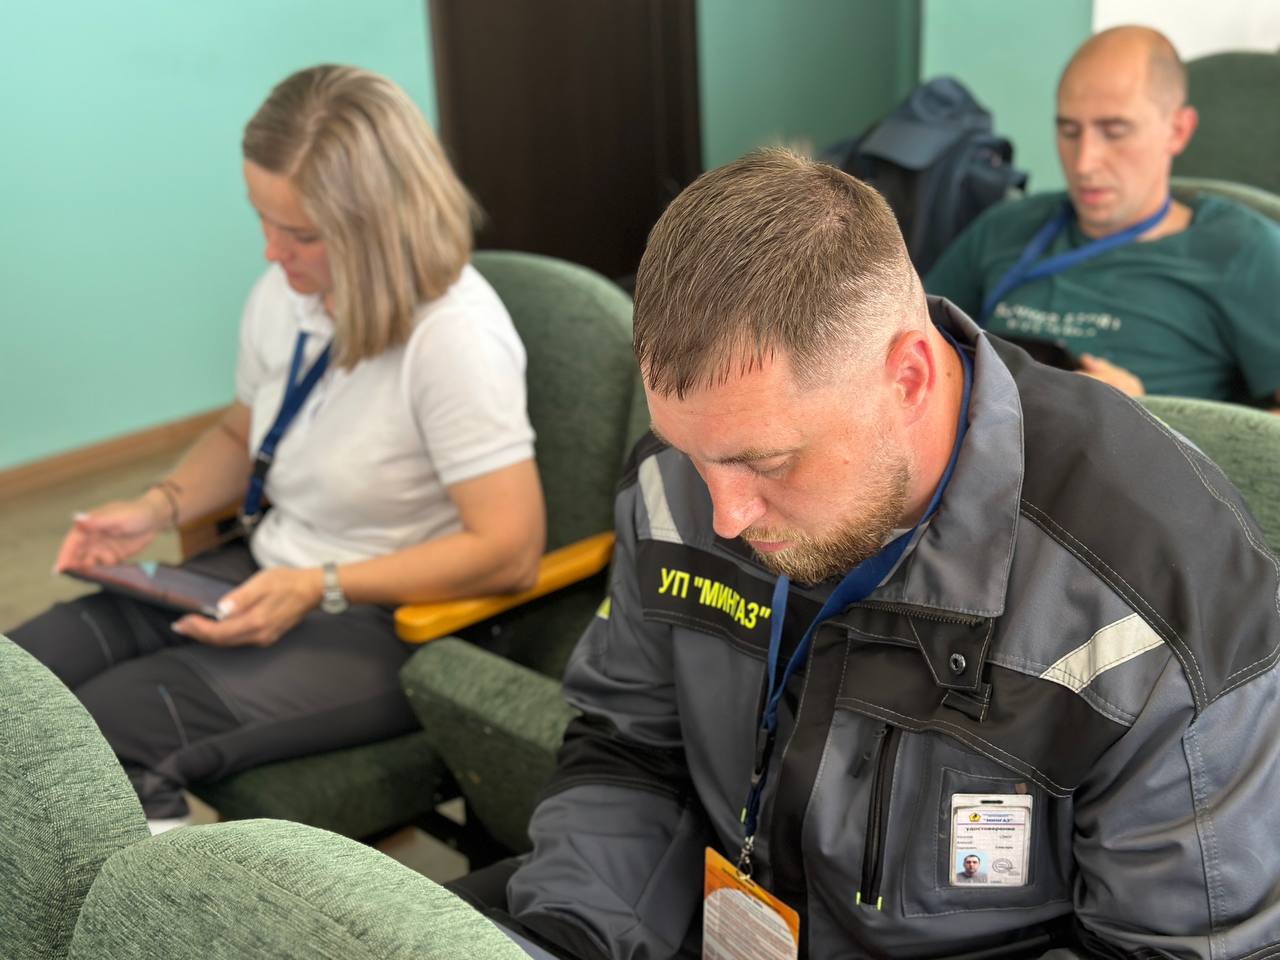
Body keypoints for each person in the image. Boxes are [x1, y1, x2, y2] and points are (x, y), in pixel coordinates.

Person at [451, 148, 1280, 959]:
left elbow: (1167, 946)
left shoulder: (1158, 605)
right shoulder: (680, 481)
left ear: (910, 376)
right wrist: (571, 932)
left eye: (765, 461)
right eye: (690, 451)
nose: (726, 514)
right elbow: (630, 747)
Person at [8, 65, 545, 832]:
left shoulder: (455, 339)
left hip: (390, 621)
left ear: (381, 225)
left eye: (298, 234)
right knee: (21, 677)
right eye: (262, 219)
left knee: (107, 733)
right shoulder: (290, 296)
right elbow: (242, 430)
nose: (270, 252)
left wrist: (319, 584)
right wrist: (154, 506)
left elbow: (510, 548)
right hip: (268, 567)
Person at [925, 26, 1280, 408]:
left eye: (1114, 132)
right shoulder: (1005, 226)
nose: (1085, 163)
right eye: (1069, 131)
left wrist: (1149, 420)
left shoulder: (1243, 250)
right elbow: (908, 347)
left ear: (1178, 130)